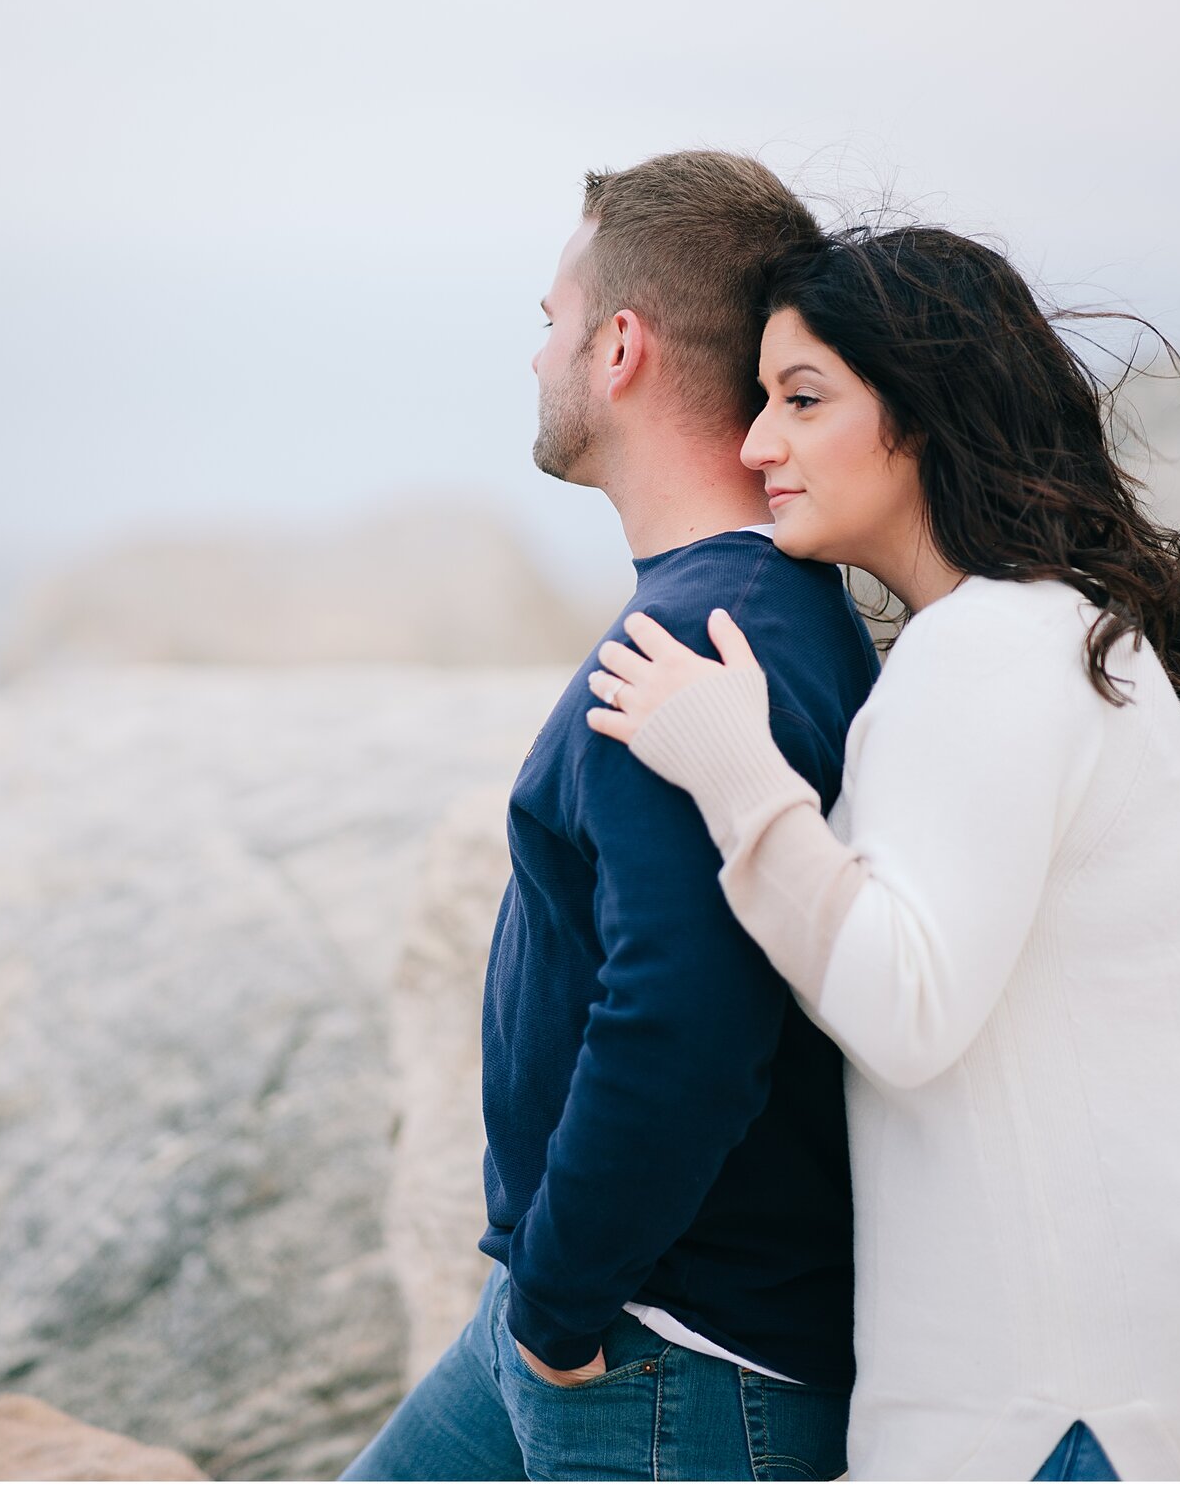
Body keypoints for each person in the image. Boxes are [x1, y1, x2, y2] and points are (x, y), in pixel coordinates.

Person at [583, 225, 1180, 1481]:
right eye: (761, 402)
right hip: (1144, 1384)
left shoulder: (993, 649)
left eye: (803, 400)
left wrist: (736, 774)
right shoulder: (1049, 636)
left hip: (1084, 1411)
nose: (759, 444)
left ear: (921, 416)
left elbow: (904, 1003)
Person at [343, 151, 876, 1482]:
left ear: (621, 346)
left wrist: (559, 1310)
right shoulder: (756, 609)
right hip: (591, 1320)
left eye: (552, 322)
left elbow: (683, 1024)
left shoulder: (692, 650)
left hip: (662, 1363)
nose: (538, 358)